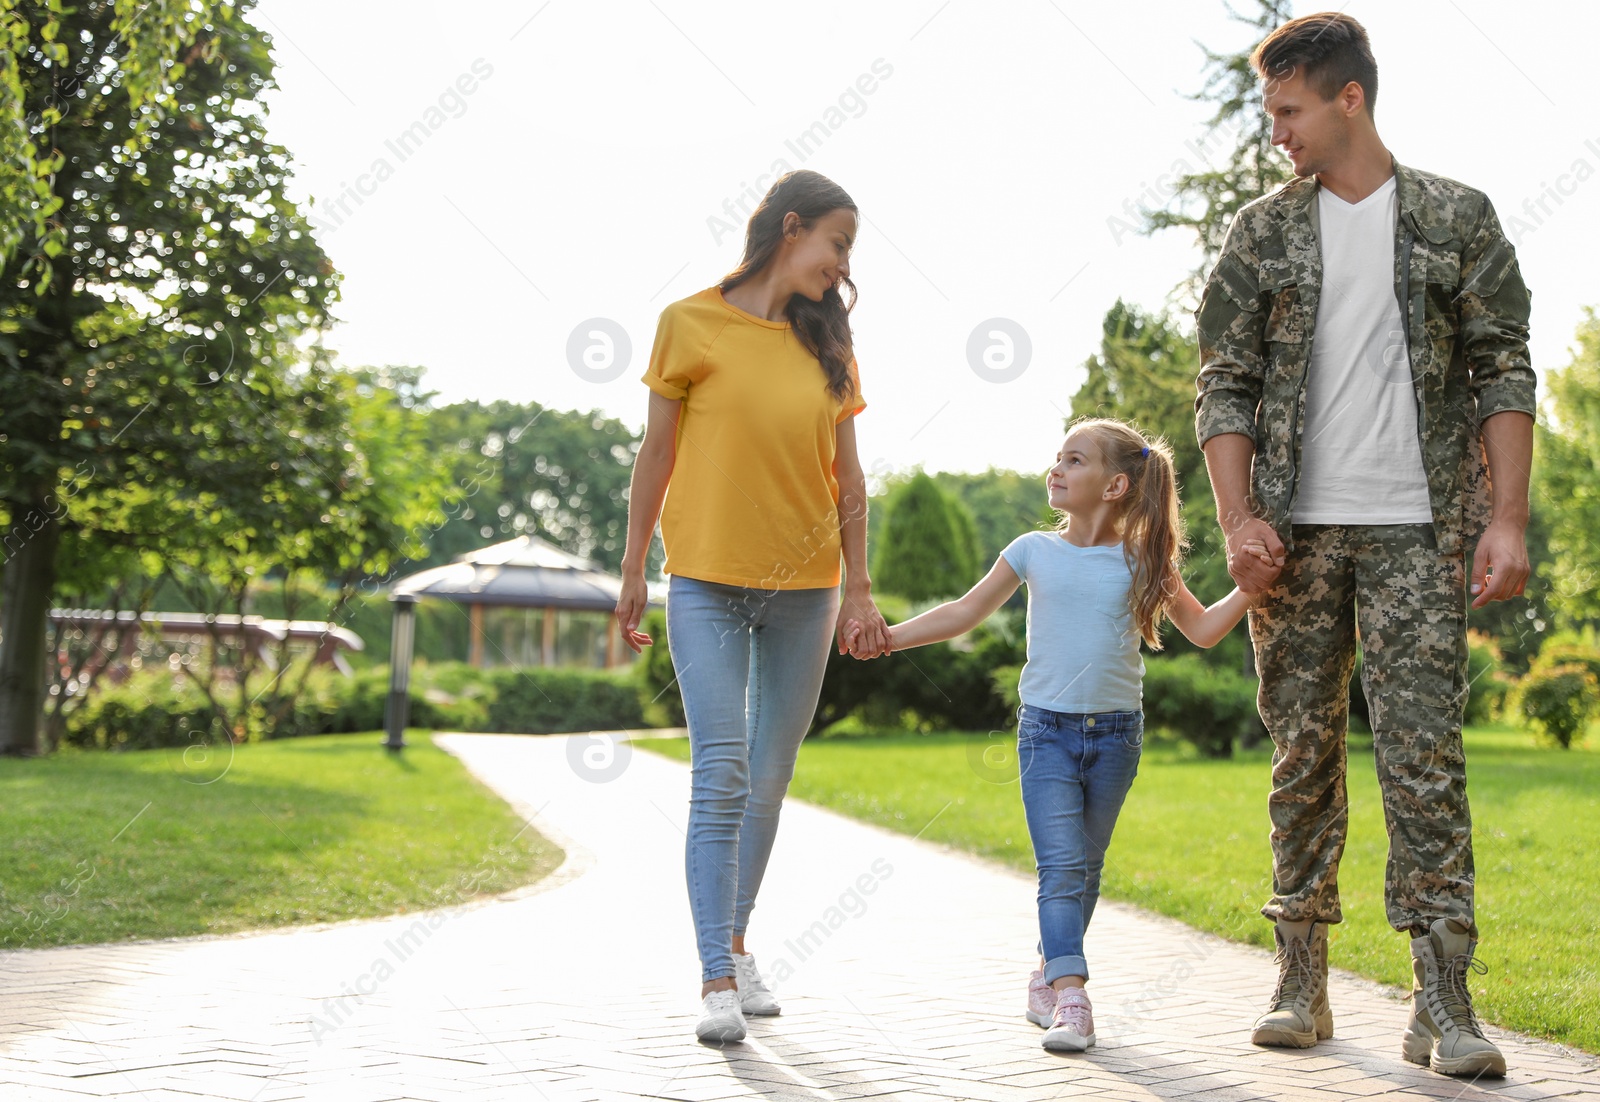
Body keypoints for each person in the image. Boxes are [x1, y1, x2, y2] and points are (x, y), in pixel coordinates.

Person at [1194, 12, 1535, 1078]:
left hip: (1420, 534)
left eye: (1289, 111)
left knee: (1425, 764)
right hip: (1292, 536)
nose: (1276, 133)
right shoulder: (1259, 233)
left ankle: (1443, 998)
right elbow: (1224, 383)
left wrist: (1509, 518)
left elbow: (1502, 369)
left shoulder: (1454, 217)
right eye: (1268, 113)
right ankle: (1300, 978)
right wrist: (1237, 519)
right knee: (1301, 757)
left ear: (1349, 98)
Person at [848, 418, 1262, 1052]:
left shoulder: (1141, 558)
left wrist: (1250, 591)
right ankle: (1074, 998)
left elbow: (1202, 631)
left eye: (1074, 460)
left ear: (1117, 484)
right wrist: (889, 639)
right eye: (1057, 459)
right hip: (1046, 733)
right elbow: (965, 610)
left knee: (1085, 870)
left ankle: (1046, 975)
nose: (1057, 469)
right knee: (1062, 867)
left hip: (1118, 735)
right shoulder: (1031, 550)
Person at [615, 169, 892, 1045]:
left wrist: (858, 585)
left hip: (806, 592)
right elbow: (654, 457)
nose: (842, 267)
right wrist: (631, 568)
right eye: (837, 244)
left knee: (769, 779)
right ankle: (714, 977)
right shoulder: (688, 323)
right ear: (791, 227)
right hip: (703, 581)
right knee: (721, 772)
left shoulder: (829, 344)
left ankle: (737, 942)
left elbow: (848, 478)